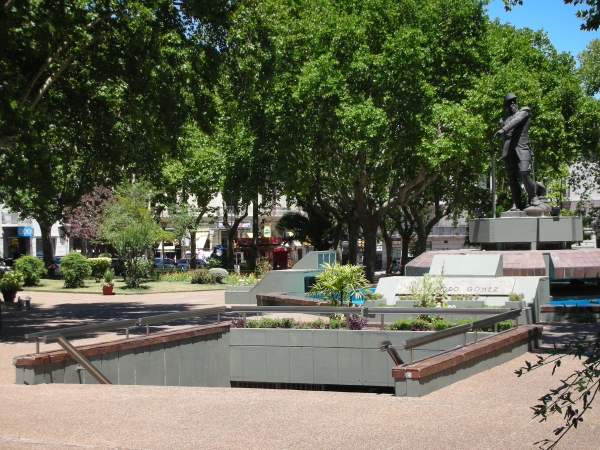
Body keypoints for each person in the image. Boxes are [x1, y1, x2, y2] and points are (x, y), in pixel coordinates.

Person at [494, 93, 539, 210]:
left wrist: (503, 129)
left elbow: (516, 121)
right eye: (509, 102)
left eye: (514, 101)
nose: (512, 104)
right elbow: (505, 139)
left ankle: (533, 196)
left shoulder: (524, 112)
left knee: (524, 172)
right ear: (506, 106)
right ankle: (517, 203)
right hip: (509, 151)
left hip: (522, 147)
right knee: (512, 178)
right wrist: (504, 154)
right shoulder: (503, 120)